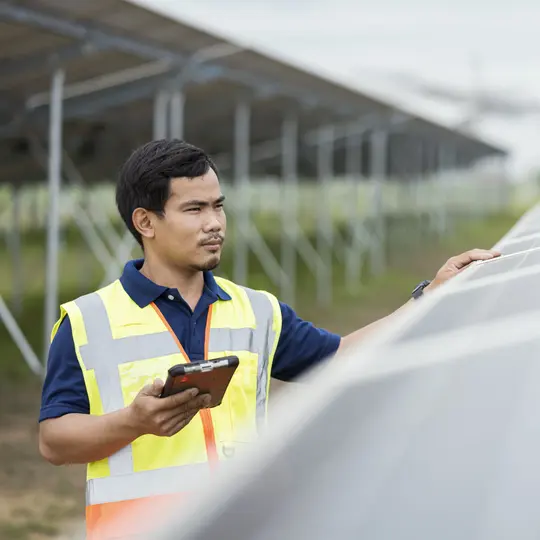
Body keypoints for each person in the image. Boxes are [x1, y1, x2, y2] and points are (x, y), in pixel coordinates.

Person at [38, 139, 499, 539]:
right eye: (194, 209)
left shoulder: (257, 310)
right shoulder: (86, 321)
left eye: (218, 205)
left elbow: (339, 358)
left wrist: (428, 297)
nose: (214, 222)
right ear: (145, 221)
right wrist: (134, 422)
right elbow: (54, 442)